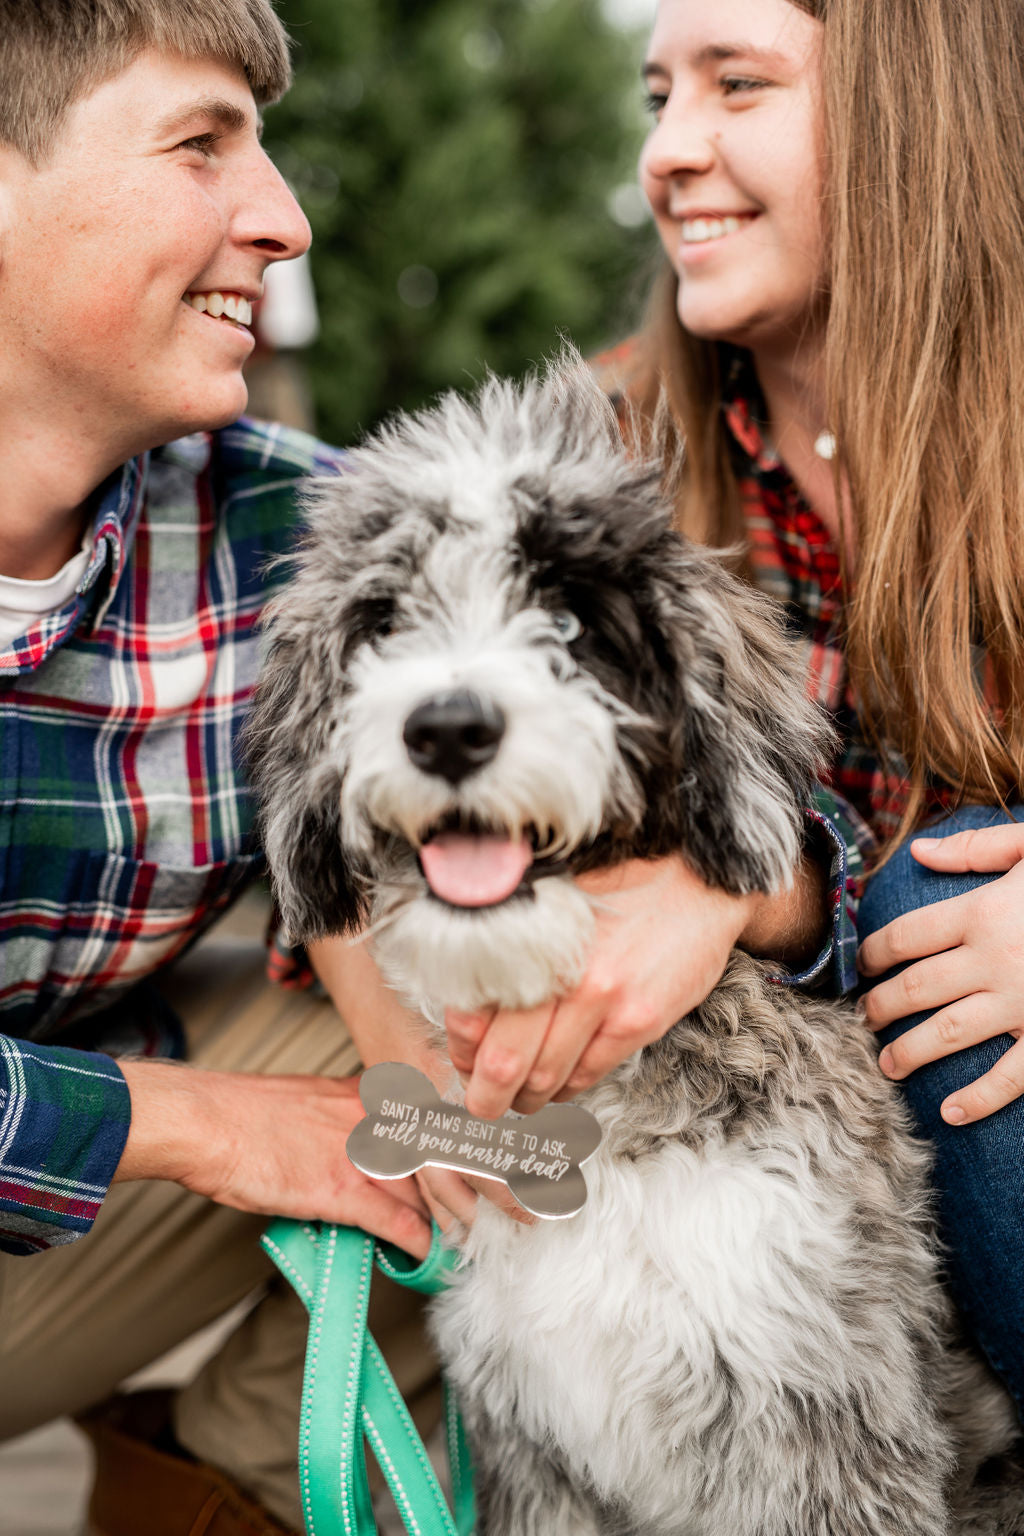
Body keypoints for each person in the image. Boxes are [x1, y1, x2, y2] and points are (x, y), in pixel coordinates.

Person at [412, 0, 1024, 1431]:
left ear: (910, 114)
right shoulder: (597, 462)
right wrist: (744, 883)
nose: (669, 153)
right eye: (658, 93)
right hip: (766, 1124)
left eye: (738, 85)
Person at [0, 4, 448, 1532]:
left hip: (47, 1220)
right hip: (121, 1132)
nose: (288, 220)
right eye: (201, 143)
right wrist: (189, 1129)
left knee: (518, 1060)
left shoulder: (286, 527)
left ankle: (233, 1477)